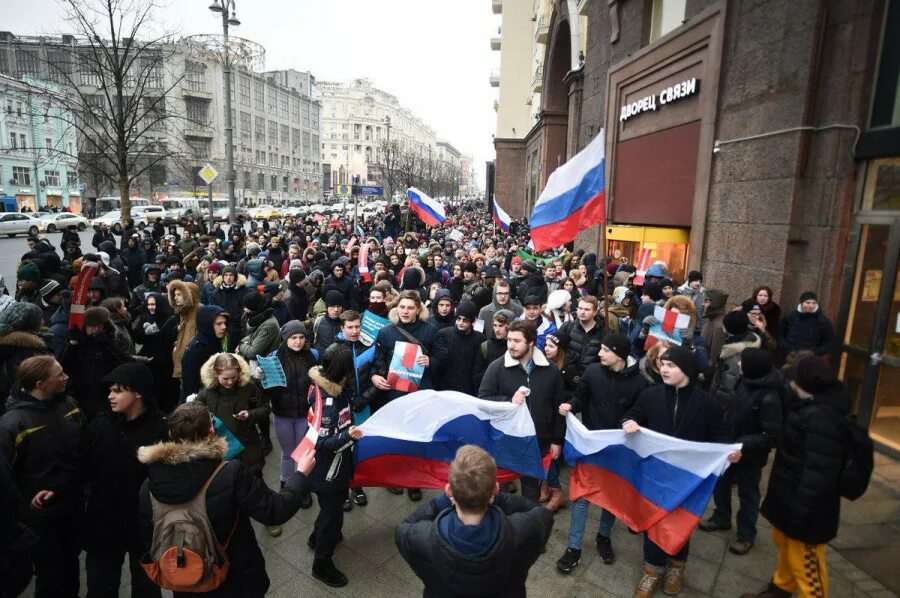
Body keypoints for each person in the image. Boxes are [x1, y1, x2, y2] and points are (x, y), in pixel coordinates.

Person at [138, 402, 315, 598]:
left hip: (185, 578)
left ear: (171, 435)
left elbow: (150, 537)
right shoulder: (230, 473)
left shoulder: (149, 486)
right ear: (212, 431)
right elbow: (275, 511)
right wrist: (300, 475)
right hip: (235, 577)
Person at [621, 346, 735, 597]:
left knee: (680, 523)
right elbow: (632, 414)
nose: (663, 369)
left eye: (671, 365)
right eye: (662, 364)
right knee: (654, 520)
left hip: (688, 478)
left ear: (687, 370)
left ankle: (676, 566)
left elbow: (721, 436)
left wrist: (728, 452)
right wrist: (628, 422)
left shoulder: (707, 403)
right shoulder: (650, 395)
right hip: (655, 473)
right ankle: (652, 570)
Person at [742, 355, 849, 598]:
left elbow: (819, 474)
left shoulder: (823, 419)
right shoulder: (805, 405)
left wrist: (802, 513)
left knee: (806, 563)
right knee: (786, 547)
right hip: (790, 498)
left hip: (806, 510)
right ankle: (781, 589)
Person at [394, 445, 554, 597]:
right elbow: (543, 515)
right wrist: (492, 496)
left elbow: (402, 528)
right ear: (496, 489)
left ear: (449, 490)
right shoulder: (522, 529)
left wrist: (441, 502)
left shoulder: (421, 538)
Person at [556, 333, 647, 572]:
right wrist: (571, 405)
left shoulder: (639, 383)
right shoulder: (593, 372)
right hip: (591, 446)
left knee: (611, 497)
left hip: (618, 450)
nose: (599, 353)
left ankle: (603, 537)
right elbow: (580, 397)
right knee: (581, 497)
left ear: (619, 354)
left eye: (605, 350)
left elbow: (639, 411)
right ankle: (574, 547)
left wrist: (630, 421)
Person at [0, 356, 85, 598]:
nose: (66, 377)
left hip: (71, 504)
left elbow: (83, 449)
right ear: (41, 384)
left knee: (71, 566)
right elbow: (6, 479)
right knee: (50, 575)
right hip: (40, 517)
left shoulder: (70, 405)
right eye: (59, 374)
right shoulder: (12, 424)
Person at [83, 362, 166, 598]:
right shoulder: (100, 425)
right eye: (110, 390)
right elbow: (82, 465)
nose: (110, 396)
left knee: (147, 587)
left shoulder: (161, 429)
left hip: (144, 525)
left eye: (118, 391)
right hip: (103, 523)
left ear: (138, 392)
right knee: (100, 586)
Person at [700, 348, 783, 556]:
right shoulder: (746, 381)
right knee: (721, 483)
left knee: (748, 493)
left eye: (742, 362)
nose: (738, 364)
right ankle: (721, 516)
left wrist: (742, 445)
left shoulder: (771, 398)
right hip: (729, 446)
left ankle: (746, 535)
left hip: (750, 455)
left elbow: (771, 435)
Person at [371, 290, 448, 501]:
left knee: (416, 437)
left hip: (419, 393)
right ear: (396, 308)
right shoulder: (386, 332)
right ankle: (395, 478)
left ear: (418, 309)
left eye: (410, 308)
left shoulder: (429, 330)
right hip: (394, 394)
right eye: (402, 307)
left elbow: (442, 355)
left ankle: (413, 481)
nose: (405, 311)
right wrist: (375, 376)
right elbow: (378, 360)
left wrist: (430, 361)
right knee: (395, 437)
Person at [478, 319, 565, 504]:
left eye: (517, 341)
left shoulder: (551, 370)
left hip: (536, 442)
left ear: (531, 342)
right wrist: (509, 401)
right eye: (509, 340)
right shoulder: (497, 367)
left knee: (531, 495)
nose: (511, 345)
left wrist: (557, 441)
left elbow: (558, 407)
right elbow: (483, 400)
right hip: (505, 443)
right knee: (500, 494)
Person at [306, 344, 364, 588]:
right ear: (344, 372)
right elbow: (323, 443)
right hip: (329, 470)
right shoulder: (329, 403)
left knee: (329, 508)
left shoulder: (322, 387)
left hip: (330, 467)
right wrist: (348, 437)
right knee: (333, 516)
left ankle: (315, 536)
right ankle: (322, 563)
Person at [260, 320, 317, 513]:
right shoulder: (275, 358)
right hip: (282, 413)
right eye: (293, 338)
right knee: (287, 452)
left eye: (301, 337)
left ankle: (302, 487)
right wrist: (260, 379)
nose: (298, 341)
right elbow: (265, 390)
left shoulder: (311, 356)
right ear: (285, 339)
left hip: (304, 414)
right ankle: (285, 485)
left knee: (303, 452)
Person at [194, 353, 270, 477]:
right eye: (225, 378)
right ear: (216, 374)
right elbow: (194, 413)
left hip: (248, 447)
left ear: (239, 373)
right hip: (222, 452)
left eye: (234, 377)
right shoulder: (206, 393)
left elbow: (265, 409)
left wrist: (250, 414)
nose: (230, 382)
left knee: (255, 480)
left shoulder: (249, 388)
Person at [63, 306, 133, 421]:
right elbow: (64, 366)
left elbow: (126, 364)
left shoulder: (112, 340)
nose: (96, 329)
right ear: (85, 326)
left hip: (108, 396)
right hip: (84, 397)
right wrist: (72, 344)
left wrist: (108, 346)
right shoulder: (78, 345)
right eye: (92, 325)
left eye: (100, 325)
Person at [0, 302, 52, 410]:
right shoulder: (28, 353)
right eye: (40, 319)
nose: (43, 321)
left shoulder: (8, 346)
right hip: (26, 411)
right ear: (31, 325)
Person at [132, 292, 179, 412]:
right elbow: (137, 338)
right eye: (149, 304)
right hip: (149, 360)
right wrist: (145, 332)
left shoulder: (170, 318)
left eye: (153, 304)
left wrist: (156, 331)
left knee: (166, 388)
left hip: (165, 360)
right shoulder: (145, 317)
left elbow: (170, 339)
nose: (151, 307)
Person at [434, 299, 487, 395]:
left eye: (465, 320)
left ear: (472, 322)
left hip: (467, 389)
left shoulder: (479, 338)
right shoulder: (444, 334)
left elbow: (478, 367)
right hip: (444, 388)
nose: (461, 323)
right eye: (458, 319)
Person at [180, 305, 229, 402]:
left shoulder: (215, 341)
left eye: (224, 323)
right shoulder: (195, 350)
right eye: (219, 324)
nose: (224, 327)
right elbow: (191, 386)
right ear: (207, 325)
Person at [780, 291, 835, 357]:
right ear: (801, 303)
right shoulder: (790, 317)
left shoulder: (823, 321)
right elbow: (780, 334)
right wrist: (787, 348)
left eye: (814, 303)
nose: (811, 305)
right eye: (808, 302)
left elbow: (829, 341)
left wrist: (816, 353)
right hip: (790, 355)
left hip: (810, 357)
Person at [167, 280, 201, 382]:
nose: (175, 297)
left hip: (194, 362)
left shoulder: (200, 311)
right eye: (174, 294)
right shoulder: (183, 311)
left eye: (179, 294)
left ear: (189, 295)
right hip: (183, 360)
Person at [313, 290, 345, 354]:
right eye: (332, 306)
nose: (336, 310)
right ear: (327, 306)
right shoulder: (318, 321)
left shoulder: (346, 323)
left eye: (338, 306)